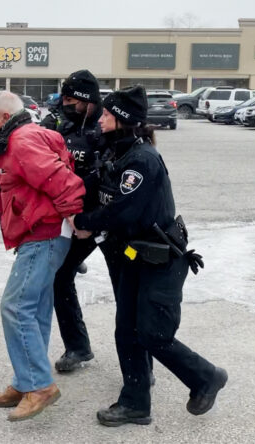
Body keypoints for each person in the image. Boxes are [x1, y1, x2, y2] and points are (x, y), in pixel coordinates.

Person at [70, 86, 227, 427]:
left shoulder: (141, 161)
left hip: (159, 261)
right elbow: (96, 186)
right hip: (132, 256)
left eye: (109, 115)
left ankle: (206, 377)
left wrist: (85, 223)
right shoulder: (117, 152)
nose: (102, 119)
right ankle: (135, 403)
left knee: (153, 334)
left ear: (124, 121)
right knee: (126, 331)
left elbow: (124, 212)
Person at [0, 91, 84, 421]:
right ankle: (26, 381)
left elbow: (61, 180)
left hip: (45, 234)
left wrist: (75, 217)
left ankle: (38, 386)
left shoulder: (22, 140)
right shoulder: (20, 136)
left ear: (4, 117)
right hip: (41, 233)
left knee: (15, 306)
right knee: (36, 308)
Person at [43, 69, 108, 373]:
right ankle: (78, 347)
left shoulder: (107, 127)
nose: (66, 104)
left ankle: (142, 368)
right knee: (59, 277)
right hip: (73, 218)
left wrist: (93, 219)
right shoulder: (62, 124)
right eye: (64, 98)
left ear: (87, 99)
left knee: (128, 290)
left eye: (72, 99)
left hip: (106, 219)